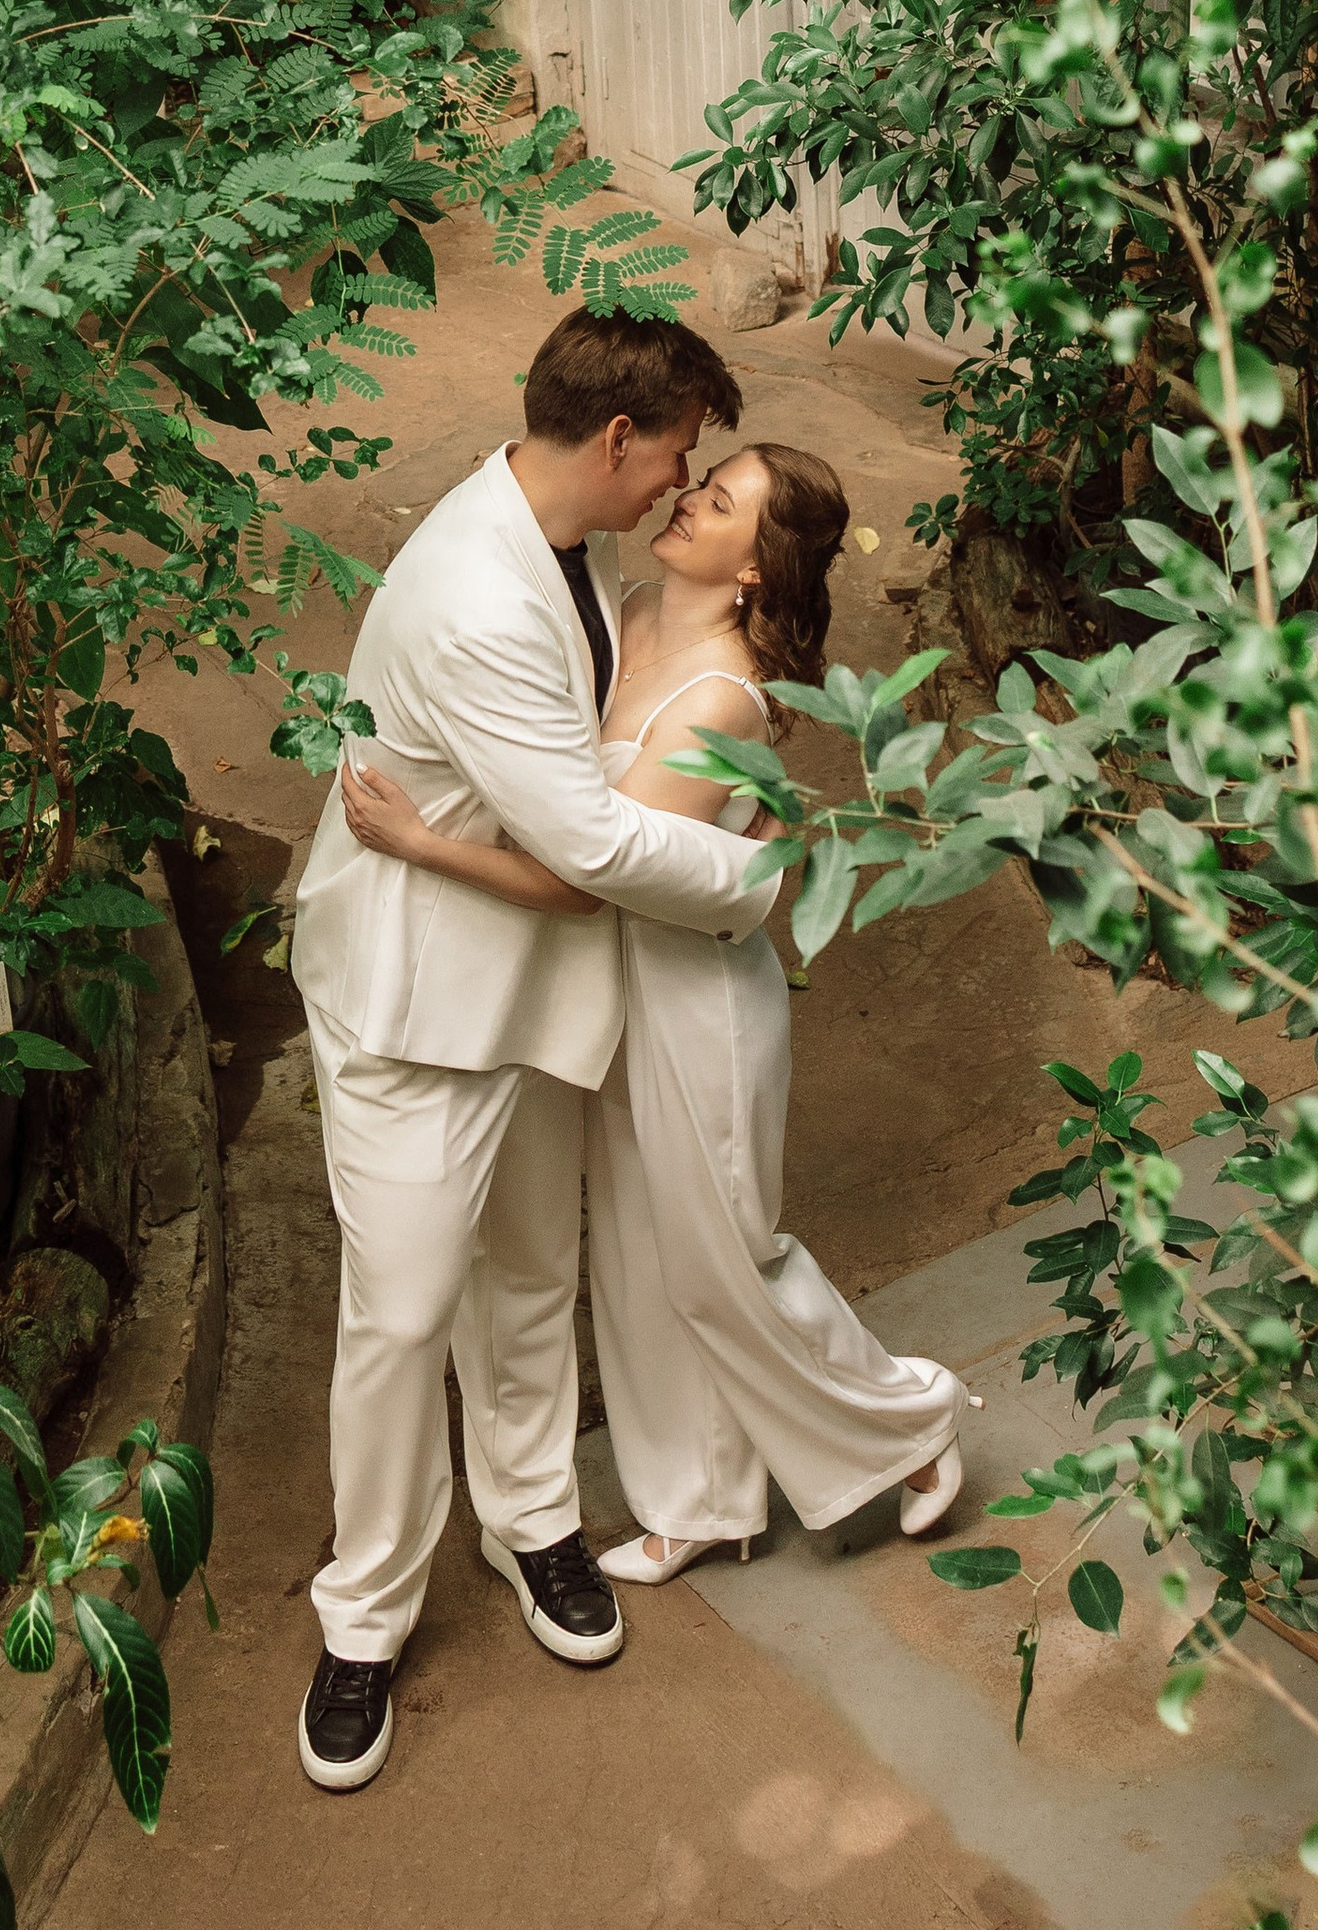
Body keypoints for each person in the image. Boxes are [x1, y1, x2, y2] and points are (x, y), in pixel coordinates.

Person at [339, 434, 972, 1597]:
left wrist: (423, 844)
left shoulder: (720, 695)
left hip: (690, 1001)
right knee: (633, 1258)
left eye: (718, 500)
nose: (685, 499)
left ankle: (908, 1420)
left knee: (723, 1257)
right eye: (699, 479)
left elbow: (584, 871)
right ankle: (697, 1505)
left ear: (753, 567)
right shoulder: (618, 607)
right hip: (595, 986)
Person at [286, 306, 777, 1797]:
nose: (680, 490)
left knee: (527, 1279)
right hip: (418, 1008)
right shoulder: (476, 600)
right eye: (677, 459)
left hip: (533, 985)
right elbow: (585, 843)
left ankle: (531, 1521)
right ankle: (364, 1614)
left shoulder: (571, 541)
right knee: (401, 1311)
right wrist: (757, 876)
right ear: (616, 437)